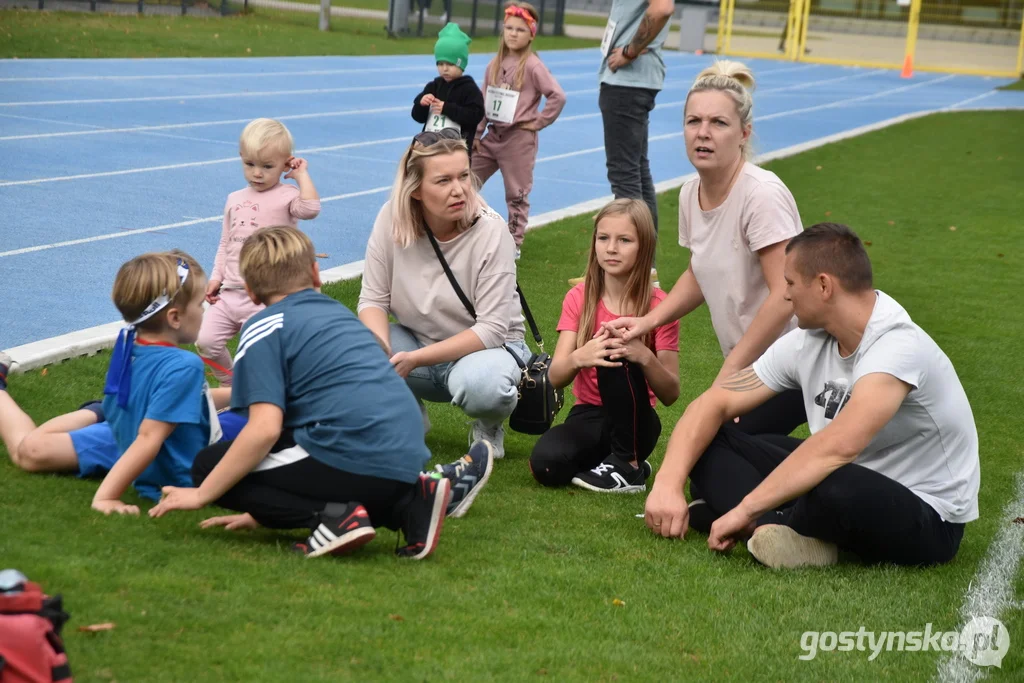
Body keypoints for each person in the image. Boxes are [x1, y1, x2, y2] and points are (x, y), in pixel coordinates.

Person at [644, 223, 980, 569]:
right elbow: (714, 402)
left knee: (833, 482)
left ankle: (761, 521)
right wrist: (668, 484)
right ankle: (782, 530)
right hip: (837, 476)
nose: (785, 294)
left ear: (823, 285)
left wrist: (745, 508)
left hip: (927, 515)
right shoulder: (810, 339)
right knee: (709, 438)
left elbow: (839, 447)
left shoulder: (896, 346)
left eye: (790, 283)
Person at [151, 226, 488, 560]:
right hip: (405, 453)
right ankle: (413, 503)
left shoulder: (264, 327)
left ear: (252, 293)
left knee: (208, 466)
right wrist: (266, 510)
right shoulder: (340, 316)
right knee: (305, 447)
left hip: (353, 451)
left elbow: (265, 430)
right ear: (315, 273)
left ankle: (334, 518)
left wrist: (202, 494)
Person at [607, 61, 806, 439]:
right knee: (719, 454)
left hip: (796, 360)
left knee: (715, 444)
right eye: (693, 121)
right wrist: (647, 321)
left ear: (744, 133)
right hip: (756, 360)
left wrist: (733, 369)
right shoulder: (689, 193)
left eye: (718, 123)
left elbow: (786, 295)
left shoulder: (761, 195)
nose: (703, 133)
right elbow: (700, 271)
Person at [358, 128, 528, 460]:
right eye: (443, 181)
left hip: (484, 351)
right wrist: (378, 349)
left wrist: (415, 360)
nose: (459, 190)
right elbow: (372, 300)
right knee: (357, 343)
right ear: (416, 189)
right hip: (417, 340)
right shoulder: (390, 218)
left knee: (484, 386)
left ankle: (489, 423)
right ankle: (407, 417)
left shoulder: (491, 230)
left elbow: (491, 330)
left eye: (464, 176)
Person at [530, 199, 679, 493]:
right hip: (587, 414)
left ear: (644, 247)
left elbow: (671, 393)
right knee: (547, 464)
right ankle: (615, 464)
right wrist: (579, 357)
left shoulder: (660, 306)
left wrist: (644, 356)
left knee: (616, 347)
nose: (611, 248)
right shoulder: (579, 297)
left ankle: (628, 463)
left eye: (624, 240)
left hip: (638, 421)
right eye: (603, 238)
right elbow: (556, 376)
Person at [88, 251, 231, 515]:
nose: (203, 312)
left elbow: (169, 400)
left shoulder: (127, 351)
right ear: (175, 317)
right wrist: (106, 497)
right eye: (200, 304)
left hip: (149, 479)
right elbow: (149, 435)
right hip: (186, 480)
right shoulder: (184, 365)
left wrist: (237, 394)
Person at [197, 118, 321, 386]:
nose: (257, 173)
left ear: (285, 162)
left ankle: (258, 395)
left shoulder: (287, 195)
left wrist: (301, 175)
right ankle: (230, 384)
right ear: (241, 158)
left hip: (266, 296)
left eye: (267, 166)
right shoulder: (234, 198)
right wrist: (216, 276)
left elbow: (310, 209)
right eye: (250, 164)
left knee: (256, 353)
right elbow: (225, 242)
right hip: (229, 293)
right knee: (206, 342)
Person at [473, 1, 565, 259]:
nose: (513, 34)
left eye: (520, 30)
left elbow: (557, 96)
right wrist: (477, 135)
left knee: (516, 193)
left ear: (531, 35)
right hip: (492, 136)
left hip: (519, 140)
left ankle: (513, 243)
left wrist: (538, 122)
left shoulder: (533, 66)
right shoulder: (494, 64)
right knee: (465, 180)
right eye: (509, 28)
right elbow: (484, 101)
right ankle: (463, 229)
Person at [598, 0, 675, 233]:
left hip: (627, 81)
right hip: (633, 81)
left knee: (625, 176)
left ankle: (634, 264)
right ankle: (645, 264)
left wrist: (629, 51)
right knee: (637, 172)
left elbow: (662, 8)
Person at [411, 23, 485, 158]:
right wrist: (421, 103)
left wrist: (448, 108)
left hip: (456, 152)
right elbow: (418, 117)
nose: (444, 68)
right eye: (440, 63)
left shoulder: (469, 89)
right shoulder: (433, 86)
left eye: (450, 64)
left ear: (461, 64)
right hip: (431, 149)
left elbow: (476, 115)